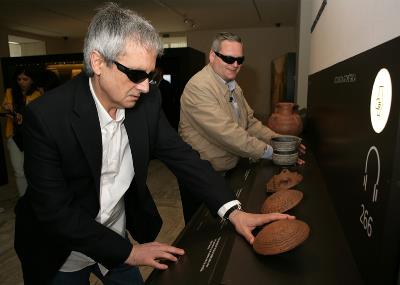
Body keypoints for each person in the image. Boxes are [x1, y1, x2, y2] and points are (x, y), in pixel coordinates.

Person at [14, 4, 294, 285]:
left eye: (150, 76)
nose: (146, 87)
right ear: (98, 62)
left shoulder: (146, 103)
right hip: (61, 249)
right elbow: (54, 210)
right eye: (136, 75)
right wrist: (130, 252)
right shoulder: (47, 116)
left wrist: (233, 211)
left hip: (115, 233)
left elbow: (183, 156)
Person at [178, 32, 305, 222]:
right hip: (202, 176)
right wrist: (274, 152)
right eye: (229, 58)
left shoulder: (232, 85)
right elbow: (228, 134)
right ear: (212, 56)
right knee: (203, 232)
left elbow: (250, 122)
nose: (235, 64)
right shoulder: (198, 87)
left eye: (240, 59)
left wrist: (280, 141)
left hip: (226, 171)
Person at [1, 67, 42, 196]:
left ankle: (36, 198)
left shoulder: (38, 94)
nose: (21, 82)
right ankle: (23, 199)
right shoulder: (10, 92)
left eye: (25, 79)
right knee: (19, 171)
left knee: (35, 169)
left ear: (32, 80)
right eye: (19, 79)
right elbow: (3, 110)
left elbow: (40, 116)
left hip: (32, 136)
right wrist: (7, 110)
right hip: (14, 135)